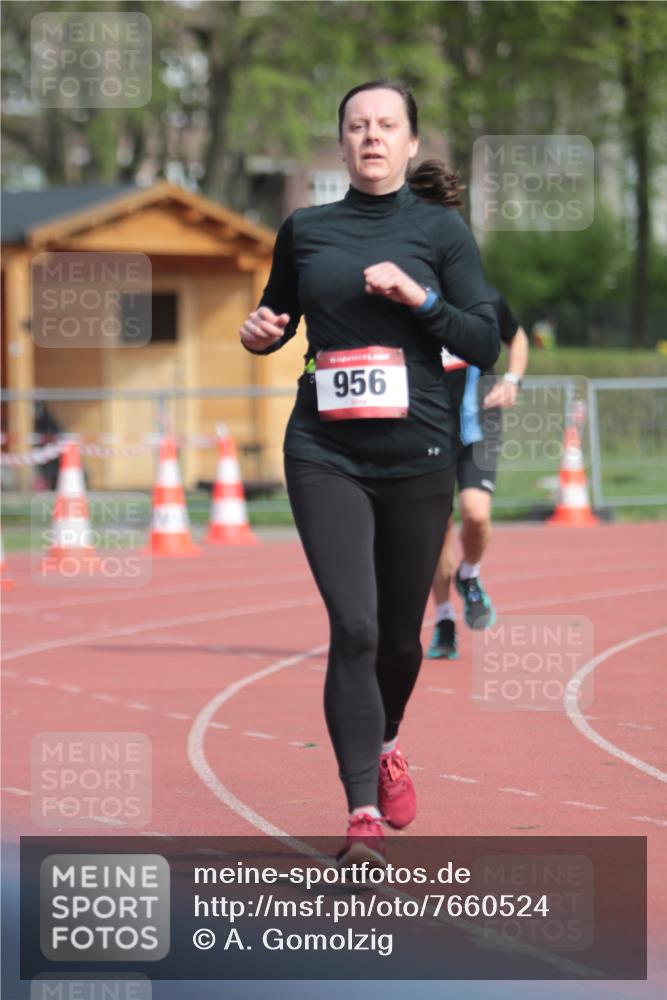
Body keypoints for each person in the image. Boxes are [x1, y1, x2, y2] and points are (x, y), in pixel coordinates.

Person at [239, 79, 499, 865]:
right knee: (351, 628)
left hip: (418, 453)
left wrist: (419, 297)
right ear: (343, 140)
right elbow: (275, 318)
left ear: (411, 142)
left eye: (386, 125)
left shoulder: (441, 232)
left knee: (398, 639)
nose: (371, 136)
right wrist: (259, 333)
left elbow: (483, 340)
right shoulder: (306, 227)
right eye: (356, 125)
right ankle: (358, 811)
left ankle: (385, 741)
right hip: (324, 449)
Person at [427, 289, 529, 658]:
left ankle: (469, 574)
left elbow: (516, 336)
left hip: (479, 423)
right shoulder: (407, 298)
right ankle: (443, 621)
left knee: (475, 513)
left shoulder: (483, 298)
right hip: (426, 428)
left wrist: (512, 380)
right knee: (436, 530)